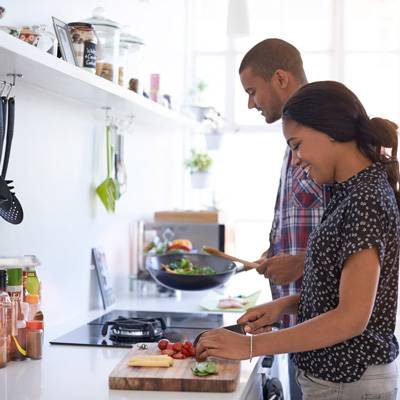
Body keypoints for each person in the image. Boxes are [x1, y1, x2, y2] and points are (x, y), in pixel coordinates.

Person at [195, 81, 400, 399]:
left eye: (297, 144)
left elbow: (351, 318)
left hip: (347, 382)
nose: (297, 159)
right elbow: (345, 291)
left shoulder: (366, 197)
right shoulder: (348, 190)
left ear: (330, 131)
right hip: (338, 382)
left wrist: (250, 346)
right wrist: (287, 306)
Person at [239, 38, 329, 398]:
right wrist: (277, 254)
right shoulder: (296, 135)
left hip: (326, 337)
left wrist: (301, 264)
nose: (250, 103)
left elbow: (363, 238)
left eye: (252, 91)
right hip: (298, 321)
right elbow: (311, 216)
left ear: (279, 78)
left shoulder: (326, 135)